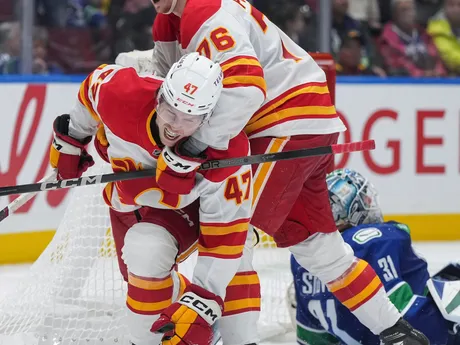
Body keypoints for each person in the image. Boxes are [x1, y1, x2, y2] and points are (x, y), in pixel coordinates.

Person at [114, 0, 429, 343]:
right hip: (301, 122)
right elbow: (167, 88)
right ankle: (396, 330)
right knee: (320, 247)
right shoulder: (169, 20)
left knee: (236, 231)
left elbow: (247, 88)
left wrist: (190, 149)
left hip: (282, 123)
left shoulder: (205, 10)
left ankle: (227, 330)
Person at [48, 52, 260, 345]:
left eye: (189, 119)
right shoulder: (122, 94)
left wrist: (202, 302)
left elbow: (226, 236)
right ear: (160, 97)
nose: (175, 126)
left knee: (234, 260)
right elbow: (92, 86)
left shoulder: (226, 150)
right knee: (143, 262)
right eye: (171, 112)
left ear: (208, 119)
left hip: (199, 209)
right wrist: (73, 136)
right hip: (138, 201)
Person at [290, 168, 459, 345]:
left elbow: (310, 337)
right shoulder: (377, 239)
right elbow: (404, 313)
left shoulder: (302, 258)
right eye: (365, 199)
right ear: (353, 208)